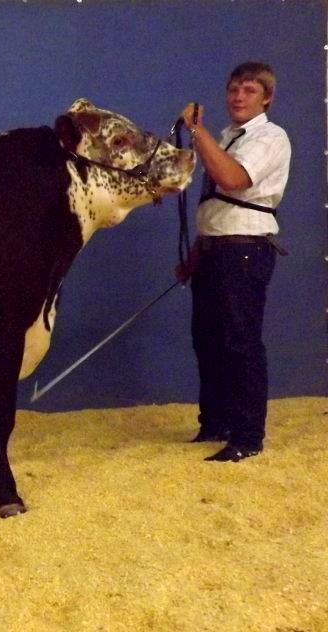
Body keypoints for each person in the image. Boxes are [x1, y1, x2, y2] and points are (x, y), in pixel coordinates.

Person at [178, 61, 291, 462]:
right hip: (216, 249)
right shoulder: (228, 135)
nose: (238, 97)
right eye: (233, 90)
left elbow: (233, 180)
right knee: (207, 341)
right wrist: (195, 255)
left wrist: (196, 131)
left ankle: (247, 435)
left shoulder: (270, 138)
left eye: (249, 90)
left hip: (244, 250)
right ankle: (216, 422)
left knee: (240, 342)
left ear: (267, 98)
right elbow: (215, 206)